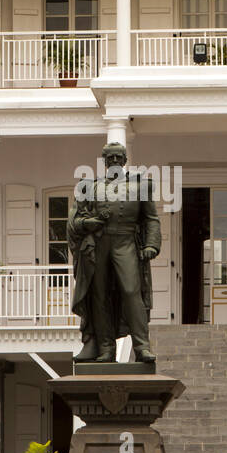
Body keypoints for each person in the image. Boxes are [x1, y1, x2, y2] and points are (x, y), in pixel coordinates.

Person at [68, 141, 160, 363]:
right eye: (111, 158)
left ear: (126, 160)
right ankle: (106, 348)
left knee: (131, 291)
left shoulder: (140, 185)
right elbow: (74, 221)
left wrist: (151, 245)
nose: (116, 161)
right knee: (99, 296)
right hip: (99, 243)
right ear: (105, 161)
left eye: (119, 157)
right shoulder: (89, 186)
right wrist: (89, 222)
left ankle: (142, 347)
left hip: (126, 242)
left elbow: (151, 219)